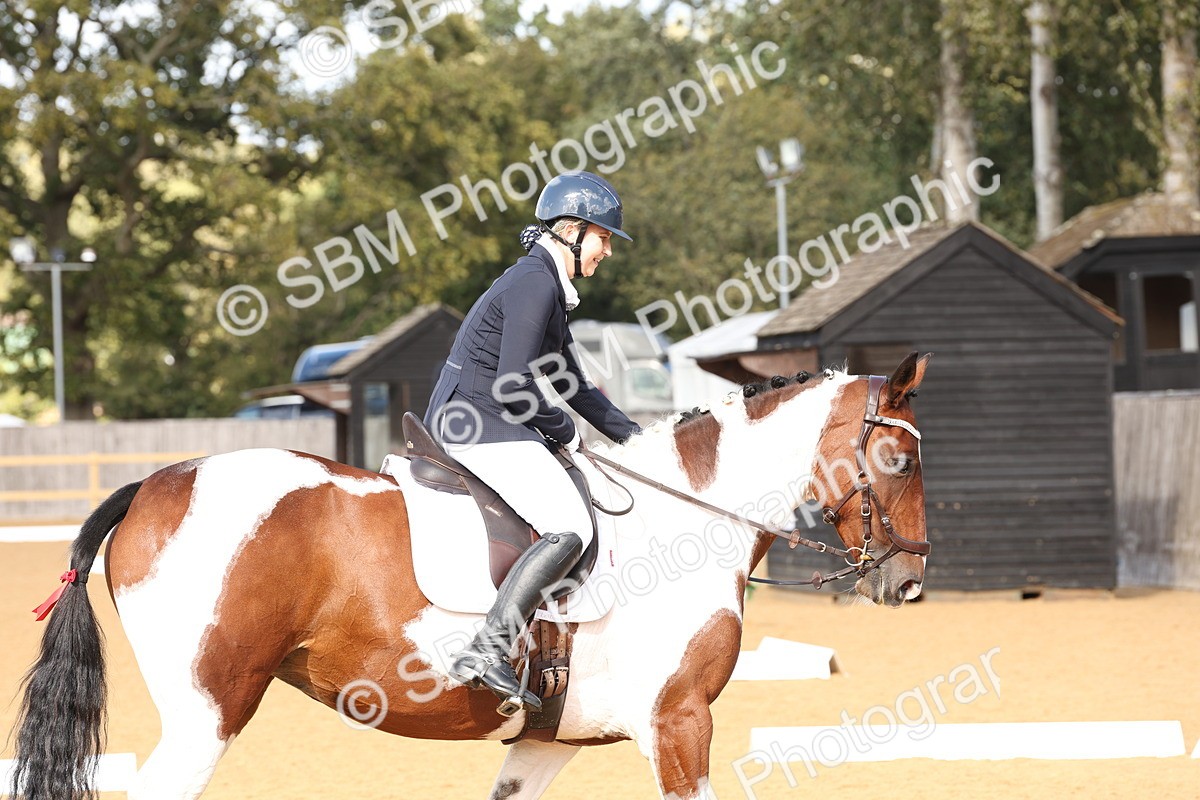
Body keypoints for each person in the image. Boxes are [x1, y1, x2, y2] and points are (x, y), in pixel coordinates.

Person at [424, 170, 642, 712]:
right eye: (603, 238)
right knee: (570, 525)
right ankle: (488, 648)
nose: (607, 251)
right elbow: (512, 384)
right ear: (571, 231)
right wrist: (561, 428)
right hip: (474, 421)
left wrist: (640, 441)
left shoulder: (547, 283)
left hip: (488, 416)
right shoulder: (534, 283)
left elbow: (573, 385)